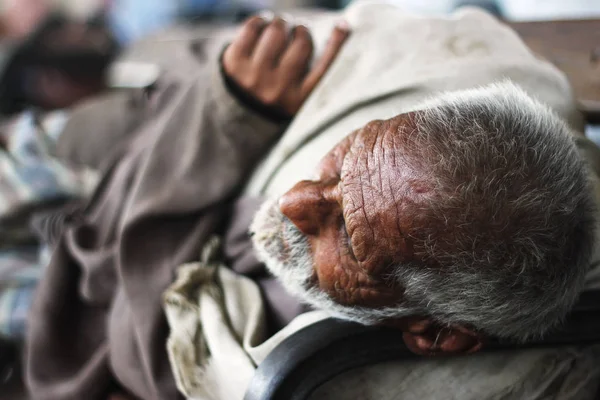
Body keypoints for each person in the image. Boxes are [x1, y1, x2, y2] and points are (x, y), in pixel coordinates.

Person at [20, 2, 600, 400]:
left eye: (348, 234)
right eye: (344, 160)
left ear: (436, 334)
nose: (296, 199)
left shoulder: (324, 368)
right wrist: (226, 110)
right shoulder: (450, 80)